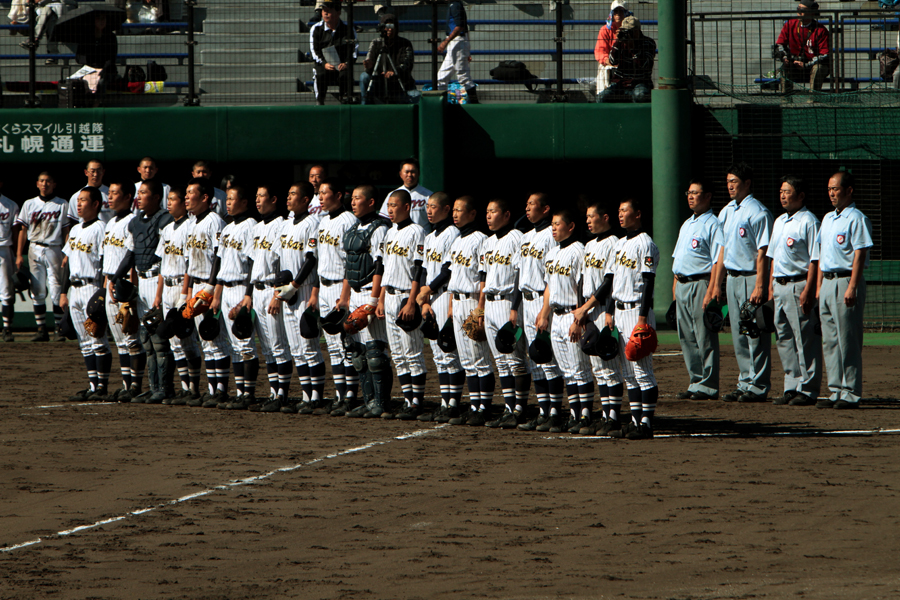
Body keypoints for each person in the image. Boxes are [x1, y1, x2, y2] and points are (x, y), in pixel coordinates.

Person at [588, 198, 659, 439]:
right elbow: (612, 280)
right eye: (618, 210)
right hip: (618, 311)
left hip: (637, 311)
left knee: (642, 370)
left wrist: (642, 319)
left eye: (625, 210)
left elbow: (649, 282)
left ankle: (647, 423)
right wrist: (608, 311)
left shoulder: (645, 243)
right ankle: (636, 420)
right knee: (628, 371)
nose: (620, 215)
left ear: (638, 214)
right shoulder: (618, 244)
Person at [715, 162, 774, 403]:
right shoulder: (726, 211)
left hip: (751, 278)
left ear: (747, 184)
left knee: (755, 332)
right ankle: (744, 382)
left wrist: (761, 285)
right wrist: (717, 283)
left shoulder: (758, 211)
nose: (729, 185)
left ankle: (758, 385)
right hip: (732, 278)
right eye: (728, 181)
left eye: (734, 182)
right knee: (739, 334)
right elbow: (722, 250)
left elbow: (764, 252)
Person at [112, 178, 175, 403]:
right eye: (138, 193)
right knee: (145, 340)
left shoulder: (165, 220)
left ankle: (165, 388)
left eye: (144, 193)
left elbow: (165, 255)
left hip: (158, 280)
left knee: (159, 340)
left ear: (157, 197)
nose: (138, 197)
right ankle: (153, 386)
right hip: (141, 283)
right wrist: (116, 277)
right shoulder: (135, 222)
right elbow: (129, 254)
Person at [815, 171, 873, 409]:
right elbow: (821, 255)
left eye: (836, 189)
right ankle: (836, 389)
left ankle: (850, 392)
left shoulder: (857, 218)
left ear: (849, 190)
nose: (831, 193)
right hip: (828, 282)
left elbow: (859, 254)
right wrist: (818, 286)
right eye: (829, 189)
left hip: (846, 281)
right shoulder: (828, 218)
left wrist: (852, 286)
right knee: (830, 340)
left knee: (847, 339)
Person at [536, 208, 593, 434]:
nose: (553, 228)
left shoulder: (579, 251)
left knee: (580, 370)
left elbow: (582, 287)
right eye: (552, 224)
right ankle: (573, 415)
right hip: (556, 318)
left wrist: (579, 320)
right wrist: (543, 314)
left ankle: (586, 416)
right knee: (566, 371)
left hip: (572, 315)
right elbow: (549, 286)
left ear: (570, 226)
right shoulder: (551, 253)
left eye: (558, 224)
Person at [767, 175, 821, 407]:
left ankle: (808, 389)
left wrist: (810, 290)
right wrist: (770, 288)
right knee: (784, 337)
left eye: (787, 191)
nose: (783, 195)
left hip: (799, 284)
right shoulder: (779, 221)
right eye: (781, 191)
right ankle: (792, 386)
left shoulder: (809, 221)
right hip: (779, 286)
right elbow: (773, 258)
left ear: (800, 195)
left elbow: (815, 260)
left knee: (804, 338)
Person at [272, 181, 327, 412]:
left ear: (306, 200)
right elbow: (279, 262)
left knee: (309, 346)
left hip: (303, 290)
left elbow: (311, 259)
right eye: (288, 193)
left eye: (293, 194)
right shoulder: (285, 224)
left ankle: (316, 397)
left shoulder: (312, 223)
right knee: (296, 348)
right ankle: (305, 397)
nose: (288, 197)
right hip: (288, 292)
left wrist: (294, 285)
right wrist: (280, 290)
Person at [338, 185, 391, 418]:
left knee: (375, 353)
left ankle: (381, 403)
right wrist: (344, 297)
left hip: (372, 291)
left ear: (370, 202)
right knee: (357, 353)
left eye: (358, 198)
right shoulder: (352, 229)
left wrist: (374, 299)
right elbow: (350, 266)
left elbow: (381, 265)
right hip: (356, 292)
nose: (353, 202)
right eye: (352, 198)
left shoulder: (379, 229)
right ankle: (368, 401)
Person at [514, 193, 565, 432]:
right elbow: (518, 276)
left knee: (549, 359)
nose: (527, 208)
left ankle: (556, 412)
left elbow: (552, 276)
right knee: (535, 361)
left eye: (532, 204)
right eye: (526, 204)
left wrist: (545, 311)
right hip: (526, 301)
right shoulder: (525, 237)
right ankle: (544, 412)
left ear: (545, 209)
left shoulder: (550, 237)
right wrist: (515, 307)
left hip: (542, 301)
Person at [180, 177, 232, 407]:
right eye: (186, 192)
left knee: (216, 338)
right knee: (206, 341)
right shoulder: (191, 223)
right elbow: (191, 262)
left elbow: (219, 257)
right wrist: (188, 294)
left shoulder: (215, 222)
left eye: (191, 193)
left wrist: (211, 288)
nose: (186, 197)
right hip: (197, 285)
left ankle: (221, 389)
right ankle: (211, 389)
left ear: (205, 197)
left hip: (210, 285)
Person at [670, 179, 724, 401]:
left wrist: (713, 289)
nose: (690, 196)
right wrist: (674, 289)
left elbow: (717, 259)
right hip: (682, 284)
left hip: (701, 283)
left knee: (704, 334)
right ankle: (695, 381)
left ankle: (708, 385)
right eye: (688, 192)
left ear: (708, 195)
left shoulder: (713, 223)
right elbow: (677, 261)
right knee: (687, 336)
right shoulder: (686, 224)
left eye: (695, 193)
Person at [206, 186, 259, 409]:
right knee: (235, 346)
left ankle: (249, 393)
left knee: (245, 344)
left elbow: (255, 263)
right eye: (226, 199)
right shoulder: (227, 228)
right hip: (225, 289)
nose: (227, 202)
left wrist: (247, 295)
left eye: (232, 199)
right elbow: (220, 263)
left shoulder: (251, 226)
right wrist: (216, 295)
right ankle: (239, 391)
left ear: (245, 202)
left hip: (241, 288)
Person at [308, 177, 358, 412]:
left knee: (346, 343)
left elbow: (351, 262)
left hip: (341, 287)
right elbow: (319, 261)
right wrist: (315, 293)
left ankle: (351, 395)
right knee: (333, 346)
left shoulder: (349, 221)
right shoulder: (322, 222)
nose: (320, 196)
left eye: (324, 192)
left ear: (339, 195)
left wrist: (345, 297)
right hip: (325, 287)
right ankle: (340, 396)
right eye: (319, 193)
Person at [572, 201, 622, 434]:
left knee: (609, 366)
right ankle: (605, 416)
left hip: (604, 310)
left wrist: (588, 308)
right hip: (590, 311)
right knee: (598, 368)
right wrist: (580, 311)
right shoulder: (589, 245)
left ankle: (613, 417)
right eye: (587, 217)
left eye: (592, 216)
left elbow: (610, 282)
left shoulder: (614, 243)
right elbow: (582, 281)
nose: (588, 220)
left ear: (605, 217)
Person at [479, 198, 530, 429]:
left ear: (507, 214)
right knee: (501, 362)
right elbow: (483, 278)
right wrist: (480, 308)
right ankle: (509, 408)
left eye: (493, 211)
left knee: (515, 359)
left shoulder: (517, 238)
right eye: (487, 212)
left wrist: (515, 308)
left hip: (508, 301)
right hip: (489, 304)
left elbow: (521, 277)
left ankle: (520, 408)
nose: (489, 216)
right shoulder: (487, 242)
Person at [60, 187, 113, 400]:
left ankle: (102, 387)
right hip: (75, 289)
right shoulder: (74, 230)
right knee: (84, 341)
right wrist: (64, 292)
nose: (79, 204)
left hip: (93, 287)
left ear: (96, 204)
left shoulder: (102, 228)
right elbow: (67, 263)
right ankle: (92, 386)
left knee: (97, 340)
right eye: (78, 200)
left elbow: (104, 262)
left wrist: (102, 292)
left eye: (84, 200)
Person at [416, 192, 465, 422]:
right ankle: (445, 402)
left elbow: (449, 270)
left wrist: (429, 290)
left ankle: (454, 403)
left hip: (445, 295)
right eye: (427, 206)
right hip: (432, 297)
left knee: (449, 351)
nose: (429, 210)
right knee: (438, 354)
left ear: (447, 209)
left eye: (434, 206)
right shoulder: (430, 235)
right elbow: (425, 269)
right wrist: (424, 299)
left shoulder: (452, 233)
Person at [378, 189, 426, 418]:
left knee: (412, 351)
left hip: (407, 296)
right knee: (397, 354)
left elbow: (419, 268)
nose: (390, 210)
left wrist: (412, 301)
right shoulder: (389, 233)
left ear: (407, 206)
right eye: (388, 205)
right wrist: (380, 298)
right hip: (389, 297)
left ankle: (417, 402)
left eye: (394, 205)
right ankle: (408, 400)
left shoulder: (417, 231)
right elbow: (385, 269)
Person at [153, 187, 203, 404]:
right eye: (169, 199)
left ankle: (194, 388)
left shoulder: (189, 227)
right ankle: (184, 388)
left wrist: (185, 294)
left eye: (174, 199)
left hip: (182, 288)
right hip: (167, 289)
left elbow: (188, 265)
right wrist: (158, 295)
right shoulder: (166, 229)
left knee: (188, 339)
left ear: (184, 202)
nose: (169, 203)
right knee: (174, 342)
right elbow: (163, 265)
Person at [446, 196, 493, 425]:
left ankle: (484, 407)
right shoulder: (456, 240)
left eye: (459, 210)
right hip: (457, 300)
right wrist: (450, 308)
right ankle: (474, 405)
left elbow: (484, 277)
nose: (455, 214)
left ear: (472, 214)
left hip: (474, 301)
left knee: (480, 358)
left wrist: (480, 309)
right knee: (466, 359)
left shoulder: (481, 240)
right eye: (453, 210)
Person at [246, 184, 293, 412]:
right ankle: (274, 392)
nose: (257, 200)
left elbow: (283, 266)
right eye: (256, 196)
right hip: (257, 290)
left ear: (274, 199)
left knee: (278, 344)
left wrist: (277, 294)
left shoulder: (281, 225)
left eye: (262, 196)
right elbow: (252, 263)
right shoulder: (256, 227)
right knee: (266, 347)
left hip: (272, 291)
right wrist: (247, 295)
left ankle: (282, 395)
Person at [101, 179, 147, 402]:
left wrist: (130, 292)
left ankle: (136, 385)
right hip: (110, 284)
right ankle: (126, 384)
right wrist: (105, 287)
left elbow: (133, 258)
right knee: (120, 341)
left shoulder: (132, 222)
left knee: (132, 339)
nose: (109, 197)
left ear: (129, 197)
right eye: (109, 193)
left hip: (124, 287)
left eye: (115, 193)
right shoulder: (110, 223)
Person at [15, 171, 69, 342]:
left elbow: (66, 230)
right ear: (37, 184)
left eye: (48, 181)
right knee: (37, 288)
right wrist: (18, 254)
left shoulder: (62, 204)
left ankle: (58, 329)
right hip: (35, 247)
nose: (45, 184)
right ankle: (41, 329)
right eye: (42, 181)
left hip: (54, 248)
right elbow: (23, 231)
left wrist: (67, 252)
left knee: (55, 288)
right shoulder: (29, 204)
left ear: (54, 184)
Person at [774, 0, 830, 94]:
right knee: (785, 67)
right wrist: (785, 58)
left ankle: (813, 100)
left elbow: (824, 55)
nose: (798, 12)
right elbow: (779, 45)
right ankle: (786, 101)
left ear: (811, 13)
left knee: (818, 68)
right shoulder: (790, 25)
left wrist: (806, 65)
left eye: (802, 10)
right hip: (795, 65)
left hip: (812, 65)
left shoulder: (821, 30)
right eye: (798, 9)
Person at [596, 16, 655, 103]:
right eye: (625, 31)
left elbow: (645, 65)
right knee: (602, 97)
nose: (627, 34)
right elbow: (612, 61)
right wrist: (617, 42)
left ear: (637, 31)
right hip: (620, 81)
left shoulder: (648, 43)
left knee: (641, 96)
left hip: (640, 81)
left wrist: (633, 48)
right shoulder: (621, 43)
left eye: (630, 31)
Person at [309, 0, 358, 105]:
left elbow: (354, 50)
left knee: (346, 75)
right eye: (323, 11)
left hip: (341, 66)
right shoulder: (316, 29)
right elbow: (314, 51)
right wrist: (324, 64)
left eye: (329, 11)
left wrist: (346, 63)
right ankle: (320, 102)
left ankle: (345, 101)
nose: (325, 13)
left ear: (338, 12)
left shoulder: (348, 29)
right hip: (324, 65)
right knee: (319, 74)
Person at [360, 13, 415, 105]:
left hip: (400, 85)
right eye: (386, 26)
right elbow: (369, 62)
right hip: (380, 84)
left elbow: (407, 64)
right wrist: (369, 66)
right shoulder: (376, 43)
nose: (389, 29)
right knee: (364, 77)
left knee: (416, 97)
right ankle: (364, 107)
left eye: (391, 26)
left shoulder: (405, 43)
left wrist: (394, 71)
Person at [437, 0, 479, 104]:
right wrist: (468, 51)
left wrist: (445, 42)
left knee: (463, 76)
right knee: (442, 76)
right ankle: (441, 104)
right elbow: (465, 27)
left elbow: (460, 27)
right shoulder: (454, 5)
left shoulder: (455, 5)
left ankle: (475, 104)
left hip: (457, 42)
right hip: (456, 42)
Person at [69, 12, 118, 100]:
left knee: (100, 82)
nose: (101, 21)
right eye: (98, 18)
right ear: (94, 21)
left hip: (106, 70)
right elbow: (79, 57)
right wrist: (89, 65)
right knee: (81, 82)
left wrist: (101, 70)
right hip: (89, 69)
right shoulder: (86, 37)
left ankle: (97, 105)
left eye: (103, 18)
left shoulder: (111, 37)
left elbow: (111, 59)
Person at [378, 158, 431, 229]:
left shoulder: (428, 195)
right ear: (400, 174)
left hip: (421, 237)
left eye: (413, 172)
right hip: (398, 236)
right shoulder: (392, 195)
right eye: (407, 172)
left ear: (418, 173)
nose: (410, 175)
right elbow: (385, 220)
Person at [594, 0, 631, 98]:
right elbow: (600, 51)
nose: (618, 14)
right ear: (612, 14)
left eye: (621, 11)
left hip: (627, 65)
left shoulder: (631, 30)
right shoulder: (605, 30)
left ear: (625, 13)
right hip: (609, 64)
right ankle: (603, 96)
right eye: (616, 12)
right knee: (604, 70)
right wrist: (608, 61)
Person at [0, 180, 19, 342]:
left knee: (6, 291)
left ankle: (7, 329)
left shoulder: (10, 205)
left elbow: (15, 230)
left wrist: (16, 254)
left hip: (4, 249)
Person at [68, 160, 111, 224]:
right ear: (86, 172)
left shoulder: (111, 193)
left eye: (98, 171)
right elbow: (74, 221)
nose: (95, 174)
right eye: (92, 171)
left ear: (103, 172)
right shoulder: (77, 196)